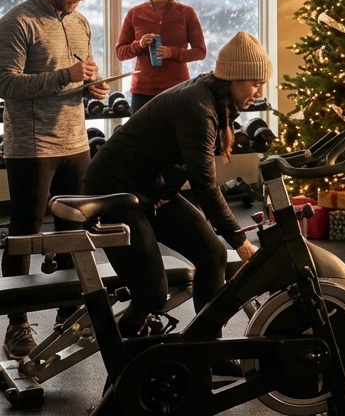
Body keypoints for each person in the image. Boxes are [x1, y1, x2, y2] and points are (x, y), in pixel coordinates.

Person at [81, 31, 268, 339]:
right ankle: (122, 355)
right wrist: (240, 240)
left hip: (151, 192)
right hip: (112, 194)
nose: (258, 92)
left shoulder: (212, 98)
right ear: (234, 78)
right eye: (255, 83)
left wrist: (227, 236)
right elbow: (204, 183)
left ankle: (207, 350)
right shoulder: (199, 107)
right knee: (152, 293)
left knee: (212, 255)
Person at [0, 0, 110, 360]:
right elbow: (6, 85)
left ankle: (69, 315)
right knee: (25, 234)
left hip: (76, 141)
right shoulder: (16, 23)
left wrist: (91, 87)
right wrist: (66, 74)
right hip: (31, 146)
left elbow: (76, 79)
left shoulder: (80, 23)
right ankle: (17, 325)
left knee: (74, 232)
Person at [114, 0, 208, 113]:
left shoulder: (186, 13)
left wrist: (172, 52)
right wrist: (139, 44)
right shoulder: (135, 13)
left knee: (175, 136)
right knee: (141, 136)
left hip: (178, 89)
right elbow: (120, 52)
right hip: (142, 90)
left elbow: (200, 52)